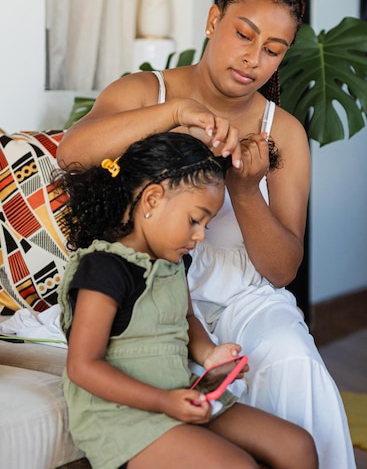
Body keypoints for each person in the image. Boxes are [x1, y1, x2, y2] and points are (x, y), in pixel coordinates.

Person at [57, 0, 356, 468]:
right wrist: (176, 114)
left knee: (294, 362)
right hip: (153, 287)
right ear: (214, 20)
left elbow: (281, 270)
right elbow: (73, 155)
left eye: (273, 49)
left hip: (244, 295)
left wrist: (243, 190)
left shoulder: (281, 132)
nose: (253, 59)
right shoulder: (144, 92)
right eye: (243, 34)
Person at [56, 131, 318, 469]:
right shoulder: (103, 269)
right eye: (195, 220)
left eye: (206, 225)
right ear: (151, 200)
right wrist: (164, 401)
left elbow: (187, 319)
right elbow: (82, 367)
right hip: (123, 418)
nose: (200, 235)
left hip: (176, 395)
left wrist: (211, 355)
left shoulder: (171, 263)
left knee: (296, 446)